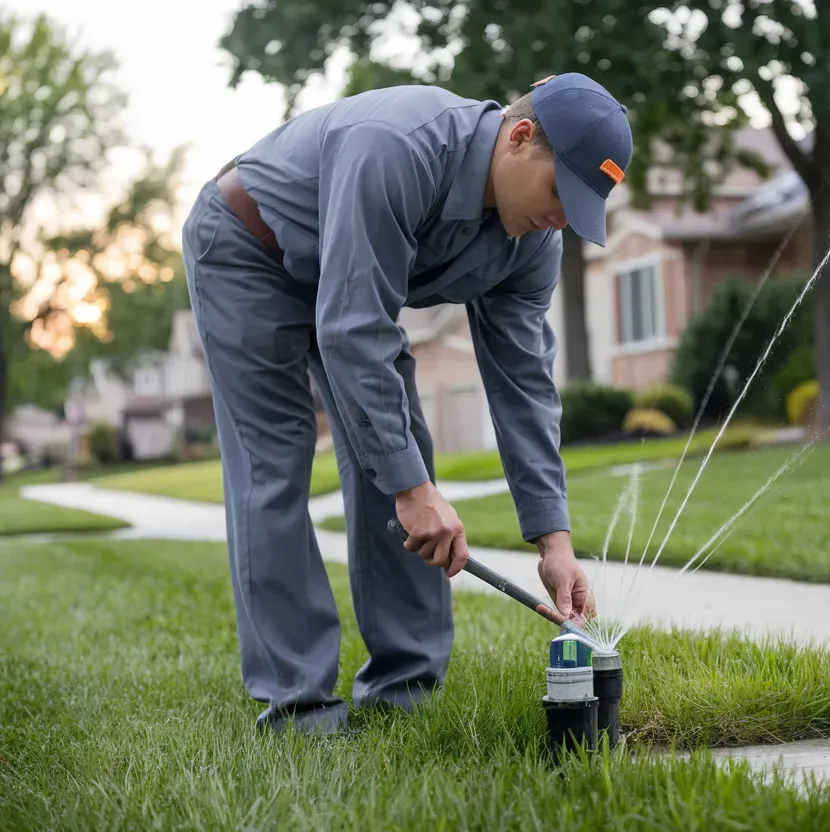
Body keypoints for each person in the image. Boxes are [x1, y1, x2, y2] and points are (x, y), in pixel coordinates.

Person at [180, 72, 633, 736]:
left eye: (580, 207)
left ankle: (404, 693)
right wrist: (413, 489)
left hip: (344, 293)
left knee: (400, 451)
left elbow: (524, 385)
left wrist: (553, 540)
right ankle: (299, 707)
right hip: (251, 249)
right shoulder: (396, 146)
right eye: (561, 192)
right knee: (275, 461)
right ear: (521, 137)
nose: (562, 216)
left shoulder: (532, 240)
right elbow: (353, 329)